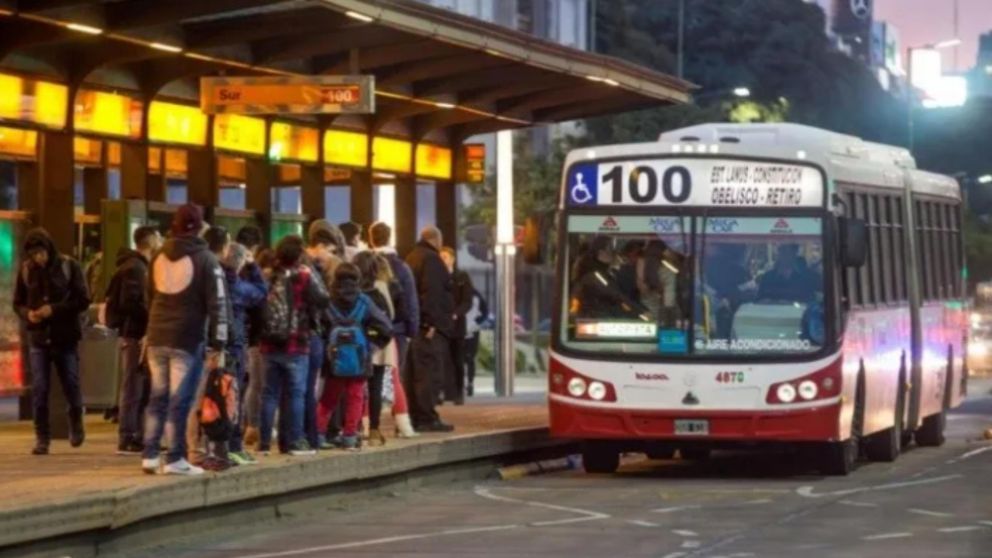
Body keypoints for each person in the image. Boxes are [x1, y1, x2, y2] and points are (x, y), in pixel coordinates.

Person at [142, 204, 228, 476]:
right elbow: (219, 305)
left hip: (156, 334)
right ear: (200, 226)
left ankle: (150, 454)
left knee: (157, 397)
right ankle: (176, 457)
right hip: (186, 337)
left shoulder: (157, 256)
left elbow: (149, 296)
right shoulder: (206, 259)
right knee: (180, 400)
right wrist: (219, 342)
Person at [14, 227, 90, 455]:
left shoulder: (69, 266)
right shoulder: (27, 270)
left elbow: (82, 299)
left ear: (49, 249)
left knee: (70, 383)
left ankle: (76, 420)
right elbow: (17, 302)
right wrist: (27, 313)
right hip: (38, 337)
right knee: (40, 388)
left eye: (41, 252)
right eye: (34, 254)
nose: (39, 258)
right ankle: (42, 437)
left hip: (64, 335)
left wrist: (53, 310)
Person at [258, 235, 330, 457]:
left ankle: (263, 443)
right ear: (299, 254)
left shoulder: (268, 275)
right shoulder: (304, 275)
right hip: (296, 343)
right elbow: (323, 299)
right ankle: (296, 440)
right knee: (296, 393)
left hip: (269, 344)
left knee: (270, 394)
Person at [316, 262, 391, 450]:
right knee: (356, 397)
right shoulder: (364, 302)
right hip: (359, 359)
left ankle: (318, 434)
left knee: (328, 399)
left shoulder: (327, 301)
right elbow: (386, 328)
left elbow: (318, 327)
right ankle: (349, 437)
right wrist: (371, 346)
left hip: (334, 360)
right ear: (357, 279)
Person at [105, 225, 161, 455]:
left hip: (136, 334)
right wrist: (154, 315)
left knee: (140, 385)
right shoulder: (136, 269)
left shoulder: (138, 267)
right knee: (133, 386)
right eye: (158, 237)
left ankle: (138, 435)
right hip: (136, 334)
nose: (162, 240)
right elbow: (132, 303)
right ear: (150, 241)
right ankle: (128, 436)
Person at [404, 227, 455, 432]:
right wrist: (431, 323)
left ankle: (416, 415)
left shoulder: (411, 257)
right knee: (428, 373)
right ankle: (427, 417)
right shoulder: (432, 260)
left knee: (415, 373)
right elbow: (432, 293)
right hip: (428, 328)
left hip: (415, 326)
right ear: (436, 240)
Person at [222, 243, 267, 466]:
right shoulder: (239, 287)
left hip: (212, 345)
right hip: (235, 346)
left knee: (213, 398)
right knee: (234, 396)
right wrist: (254, 266)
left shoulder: (215, 282)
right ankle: (234, 446)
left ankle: (215, 446)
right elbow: (261, 292)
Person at [302, 219, 344, 449]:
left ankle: (314, 431)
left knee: (309, 387)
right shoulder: (334, 267)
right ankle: (321, 431)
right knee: (324, 386)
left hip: (308, 334)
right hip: (322, 334)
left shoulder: (300, 264)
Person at [368, 221, 418, 377]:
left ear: (371, 239)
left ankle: (376, 401)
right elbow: (411, 301)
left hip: (371, 329)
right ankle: (388, 401)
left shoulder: (365, 264)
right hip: (398, 330)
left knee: (372, 377)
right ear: (390, 238)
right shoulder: (402, 267)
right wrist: (411, 331)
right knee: (393, 377)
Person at [440, 247, 473, 405]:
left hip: (457, 325)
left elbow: (467, 301)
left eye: (445, 257)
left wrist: (456, 313)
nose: (443, 260)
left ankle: (459, 391)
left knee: (458, 359)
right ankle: (442, 392)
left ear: (452, 258)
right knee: (440, 359)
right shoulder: (437, 278)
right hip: (441, 324)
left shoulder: (462, 276)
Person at [462, 285, 489, 397]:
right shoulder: (477, 296)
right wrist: (477, 323)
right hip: (473, 330)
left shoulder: (460, 296)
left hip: (462, 330)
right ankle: (470, 383)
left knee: (461, 359)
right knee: (470, 359)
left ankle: (465, 384)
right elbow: (485, 313)